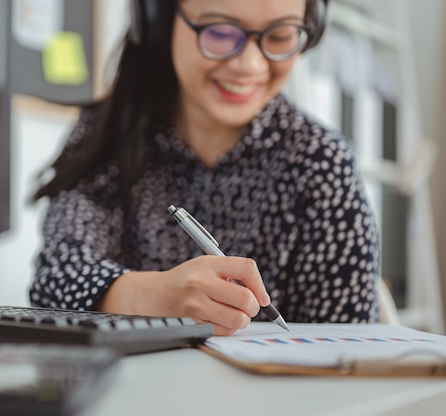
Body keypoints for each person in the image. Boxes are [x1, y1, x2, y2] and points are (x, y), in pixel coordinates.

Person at [29, 0, 380, 335]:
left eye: (279, 35)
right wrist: (153, 295)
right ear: (160, 20)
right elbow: (55, 278)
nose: (250, 65)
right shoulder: (106, 135)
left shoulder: (323, 164)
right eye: (221, 32)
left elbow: (347, 348)